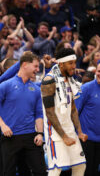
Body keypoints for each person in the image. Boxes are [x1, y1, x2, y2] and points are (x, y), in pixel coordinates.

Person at [0, 51, 46, 176]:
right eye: (35, 66)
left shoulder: (36, 89)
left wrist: (40, 133)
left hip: (31, 136)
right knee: (7, 172)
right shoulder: (6, 85)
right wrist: (3, 126)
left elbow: (38, 113)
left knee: (40, 172)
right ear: (25, 64)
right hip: (10, 136)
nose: (37, 69)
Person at [41, 48, 87, 176]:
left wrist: (79, 131)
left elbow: (72, 109)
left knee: (80, 165)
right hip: (55, 133)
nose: (74, 66)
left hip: (69, 129)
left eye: (74, 62)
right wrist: (64, 136)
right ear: (61, 64)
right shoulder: (49, 81)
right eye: (70, 63)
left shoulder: (70, 79)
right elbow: (49, 113)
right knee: (56, 170)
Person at [76, 62, 100, 176]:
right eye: (99, 71)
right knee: (86, 172)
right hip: (86, 139)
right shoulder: (86, 88)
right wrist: (77, 134)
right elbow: (74, 112)